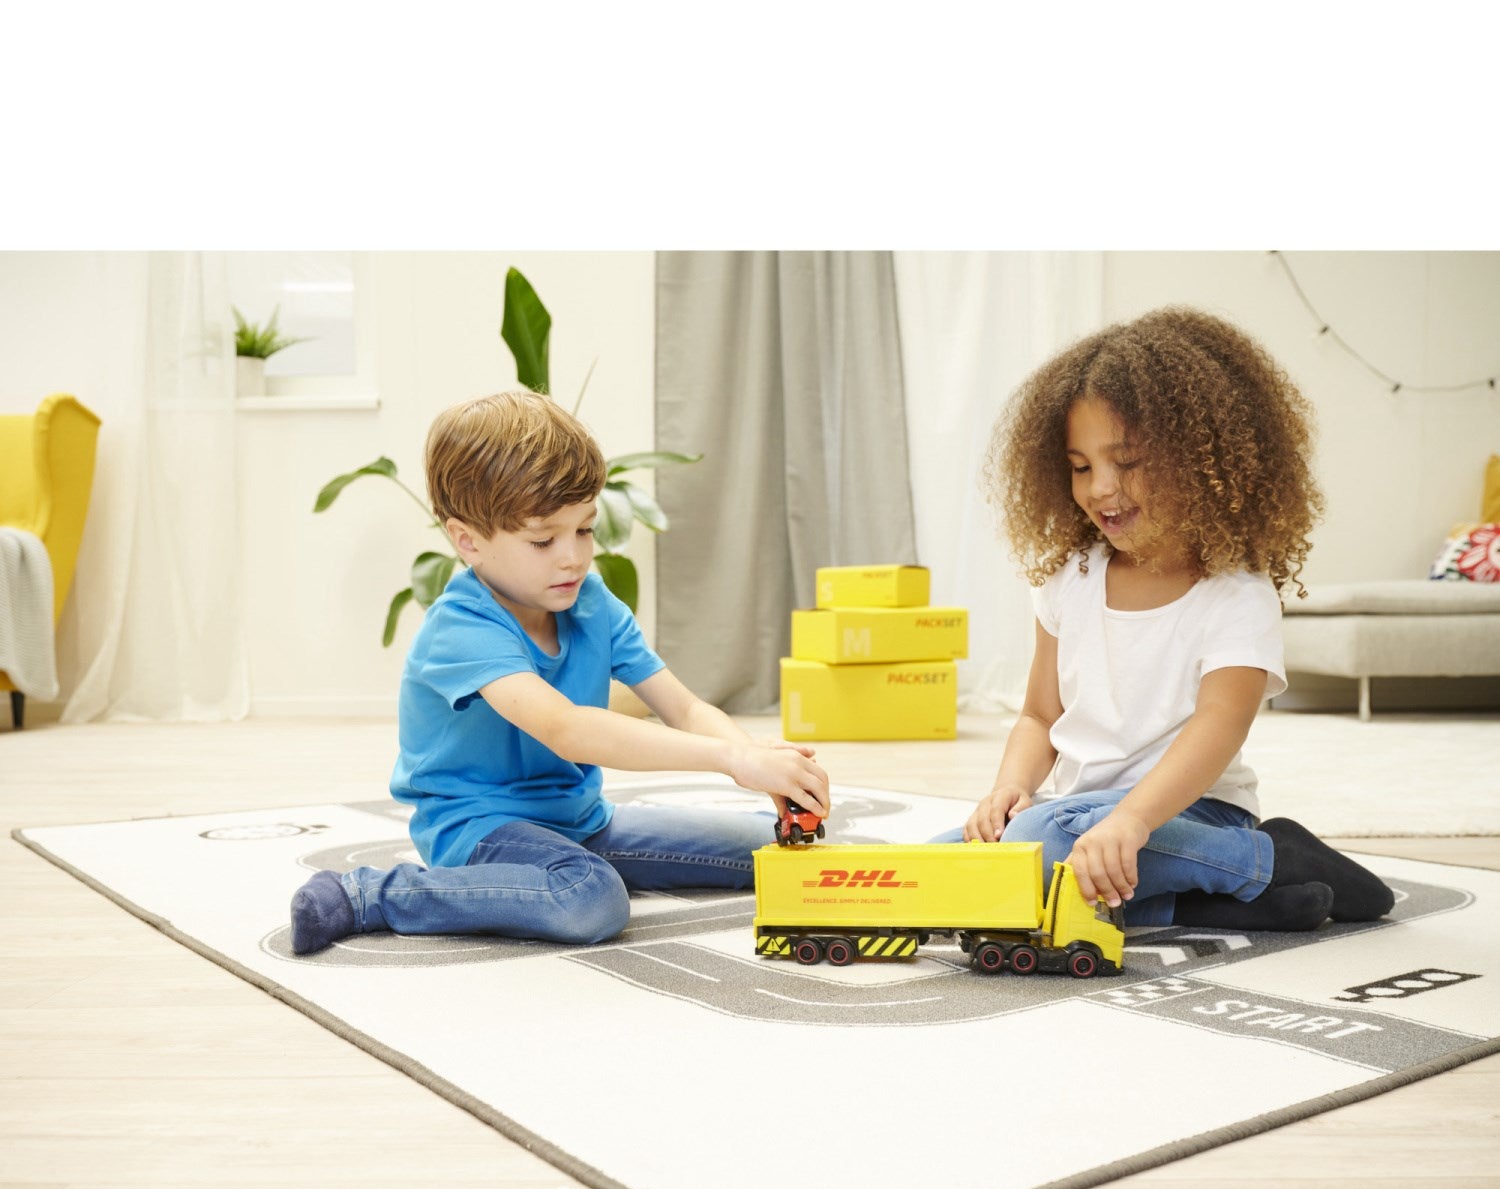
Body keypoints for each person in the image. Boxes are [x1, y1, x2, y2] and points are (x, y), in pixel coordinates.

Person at [289, 390, 829, 955]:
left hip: (581, 820)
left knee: (769, 847)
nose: (572, 557)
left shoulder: (592, 602)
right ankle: (371, 894)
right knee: (589, 899)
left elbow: (685, 708)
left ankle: (557, 865)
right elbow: (566, 728)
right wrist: (731, 758)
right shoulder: (461, 627)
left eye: (585, 530)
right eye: (543, 539)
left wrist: (758, 761)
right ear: (467, 541)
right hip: (479, 830)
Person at [937, 306, 1393, 931]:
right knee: (944, 861)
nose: (1100, 488)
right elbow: (1040, 716)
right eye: (1081, 467)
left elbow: (1220, 724)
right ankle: (1208, 902)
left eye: (1126, 462)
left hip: (1194, 815)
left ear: (1203, 460)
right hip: (1079, 815)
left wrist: (1130, 819)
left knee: (1038, 848)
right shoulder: (1067, 579)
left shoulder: (1235, 594)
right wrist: (1008, 788)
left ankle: (1268, 856)